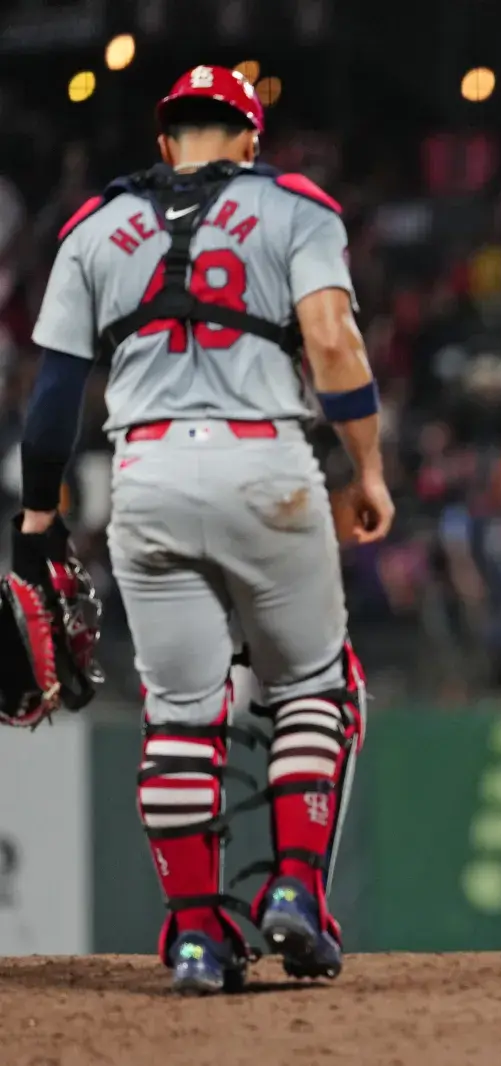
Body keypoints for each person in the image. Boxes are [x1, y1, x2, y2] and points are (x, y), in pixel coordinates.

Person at [20, 65, 394, 994]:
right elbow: (333, 342)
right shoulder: (295, 206)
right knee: (313, 683)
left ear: (164, 141)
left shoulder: (93, 226)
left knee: (182, 712)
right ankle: (295, 890)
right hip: (265, 465)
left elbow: (54, 393)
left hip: (144, 473)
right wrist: (367, 469)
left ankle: (194, 937)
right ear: (252, 138)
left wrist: (37, 518)